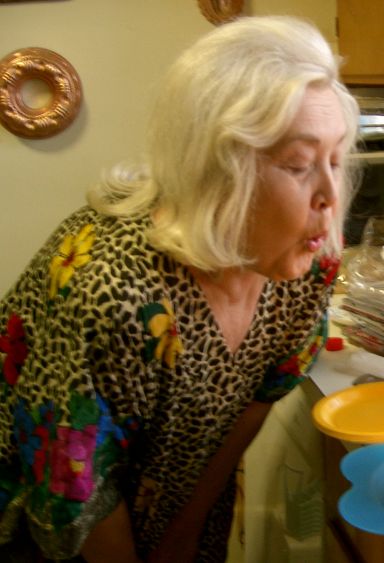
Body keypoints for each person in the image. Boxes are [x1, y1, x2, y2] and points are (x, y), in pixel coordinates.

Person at [0, 15, 359, 562]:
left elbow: (258, 397)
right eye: (299, 165)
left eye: (336, 159)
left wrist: (184, 529)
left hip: (169, 494)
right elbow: (78, 492)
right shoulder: (112, 289)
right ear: (217, 172)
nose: (331, 197)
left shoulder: (306, 263)